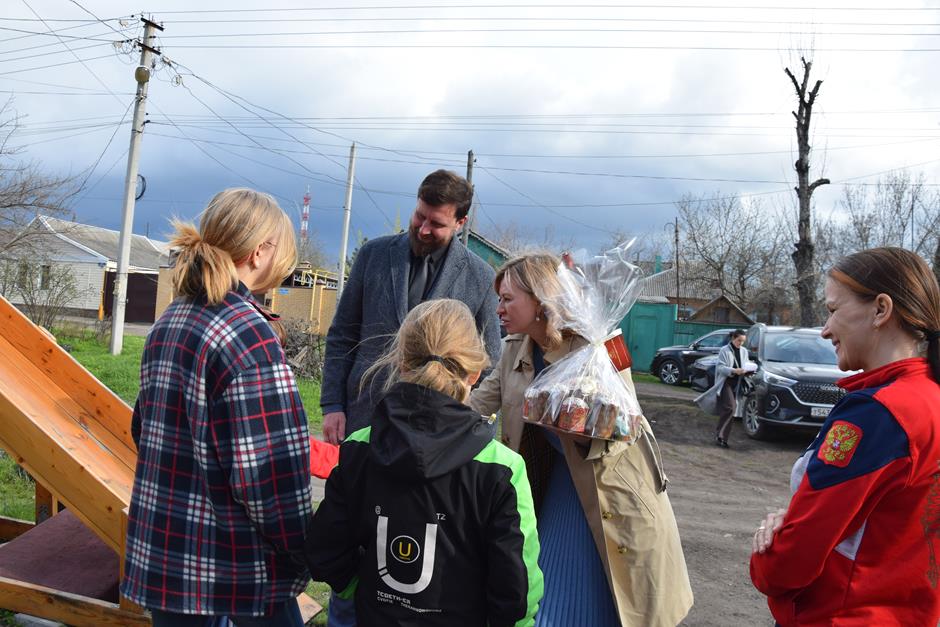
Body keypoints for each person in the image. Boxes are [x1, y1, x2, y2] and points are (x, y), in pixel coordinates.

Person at [121, 189, 313, 627]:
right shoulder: (248, 333)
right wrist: (304, 547)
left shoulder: (170, 320)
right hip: (237, 570)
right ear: (260, 251)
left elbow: (143, 430)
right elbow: (269, 476)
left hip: (168, 556)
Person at [469, 253, 693, 627]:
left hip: (607, 492)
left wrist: (582, 422)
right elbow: (476, 406)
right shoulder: (515, 349)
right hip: (553, 485)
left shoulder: (595, 343)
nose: (498, 310)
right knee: (544, 596)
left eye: (507, 299)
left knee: (600, 601)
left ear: (540, 301)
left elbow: (625, 424)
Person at [305, 299, 543, 626]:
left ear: (401, 364)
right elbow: (516, 590)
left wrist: (358, 589)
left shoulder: (359, 447)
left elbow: (325, 548)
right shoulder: (503, 469)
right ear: (475, 373)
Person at [750, 247, 940, 626]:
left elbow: (793, 562)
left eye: (833, 310)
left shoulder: (877, 414)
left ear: (881, 310)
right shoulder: (929, 397)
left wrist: (767, 552)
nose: (824, 329)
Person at [320, 169, 501, 446]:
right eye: (419, 216)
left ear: (460, 222)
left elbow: (489, 364)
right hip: (365, 420)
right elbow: (342, 334)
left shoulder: (480, 277)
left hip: (439, 433)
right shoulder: (373, 256)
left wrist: (471, 427)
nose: (423, 229)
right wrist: (332, 405)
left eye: (436, 223)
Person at [694, 329, 752, 448]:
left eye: (743, 341)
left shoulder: (744, 351)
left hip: (737, 384)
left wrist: (748, 371)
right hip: (725, 382)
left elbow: (746, 365)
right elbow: (720, 368)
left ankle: (723, 438)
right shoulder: (724, 350)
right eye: (739, 340)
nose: (741, 343)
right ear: (733, 338)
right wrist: (734, 371)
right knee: (730, 407)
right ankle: (720, 436)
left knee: (730, 409)